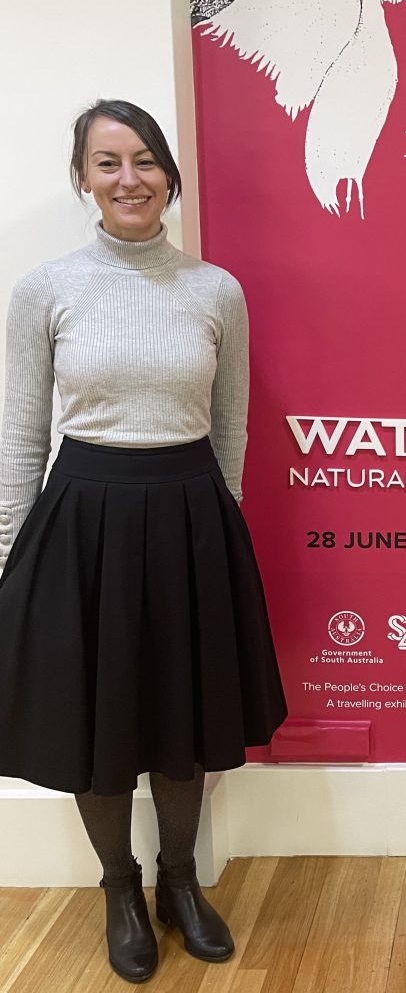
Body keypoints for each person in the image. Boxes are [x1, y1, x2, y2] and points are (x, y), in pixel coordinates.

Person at [0, 100, 288, 982]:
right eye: (108, 162)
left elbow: (231, 424)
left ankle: (178, 883)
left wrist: (219, 532)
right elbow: (20, 432)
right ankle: (118, 888)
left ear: (169, 174)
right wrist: (12, 560)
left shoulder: (216, 291)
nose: (130, 179)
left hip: (190, 520)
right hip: (82, 524)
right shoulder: (47, 289)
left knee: (183, 715)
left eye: (145, 161)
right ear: (84, 180)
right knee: (99, 719)